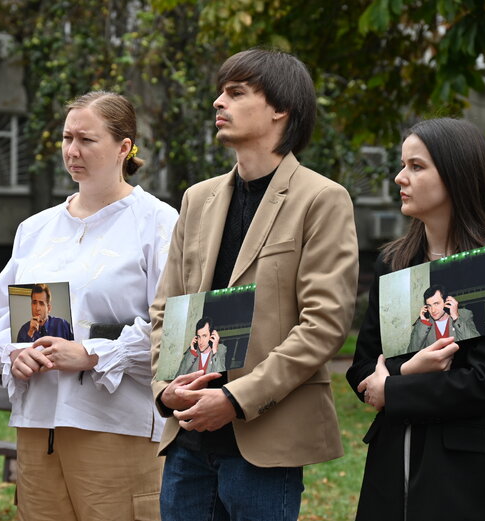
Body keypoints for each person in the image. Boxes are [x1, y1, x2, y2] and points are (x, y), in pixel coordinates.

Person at [150, 48, 358, 520]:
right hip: (187, 436)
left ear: (280, 109)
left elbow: (324, 325)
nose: (218, 103)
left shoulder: (321, 198)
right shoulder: (197, 199)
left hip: (267, 439)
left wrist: (234, 399)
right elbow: (166, 307)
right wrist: (165, 388)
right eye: (221, 91)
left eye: (236, 92)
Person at [0, 91, 178, 521]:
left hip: (116, 426)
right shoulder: (36, 228)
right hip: (38, 427)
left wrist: (90, 354)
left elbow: (175, 328)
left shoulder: (158, 222)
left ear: (124, 147)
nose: (73, 151)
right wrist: (17, 352)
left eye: (87, 140)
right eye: (67, 138)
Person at [346, 118, 485, 521]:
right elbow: (364, 367)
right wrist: (407, 372)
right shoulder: (393, 262)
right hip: (389, 464)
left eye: (417, 167)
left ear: (456, 174)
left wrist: (395, 388)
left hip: (463, 475)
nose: (401, 177)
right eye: (403, 165)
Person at [406, 284, 479, 352]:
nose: (432, 310)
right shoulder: (422, 323)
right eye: (429, 306)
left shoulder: (464, 315)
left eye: (436, 304)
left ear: (447, 301)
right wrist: (424, 323)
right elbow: (411, 351)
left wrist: (456, 318)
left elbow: (476, 345)